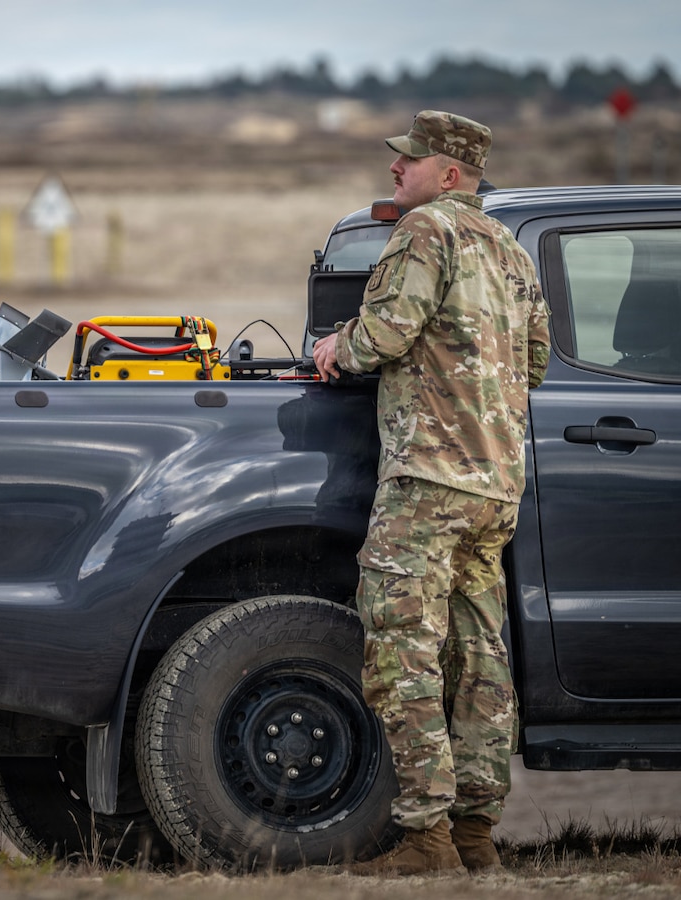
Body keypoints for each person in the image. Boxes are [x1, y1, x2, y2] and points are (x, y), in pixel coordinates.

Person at [312, 110, 551, 876]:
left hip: (428, 481)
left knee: (401, 652)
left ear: (450, 173)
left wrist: (331, 348)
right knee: (479, 656)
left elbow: (385, 334)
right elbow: (536, 363)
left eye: (411, 161)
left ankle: (426, 837)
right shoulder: (510, 250)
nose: (396, 169)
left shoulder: (426, 232)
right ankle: (477, 833)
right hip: (494, 487)